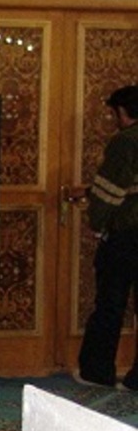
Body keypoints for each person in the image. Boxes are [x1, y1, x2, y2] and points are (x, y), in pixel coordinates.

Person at [77, 84, 138, 391]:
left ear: (121, 112)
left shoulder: (125, 142)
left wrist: (98, 225)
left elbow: (109, 191)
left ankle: (97, 372)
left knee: (110, 305)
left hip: (126, 235)